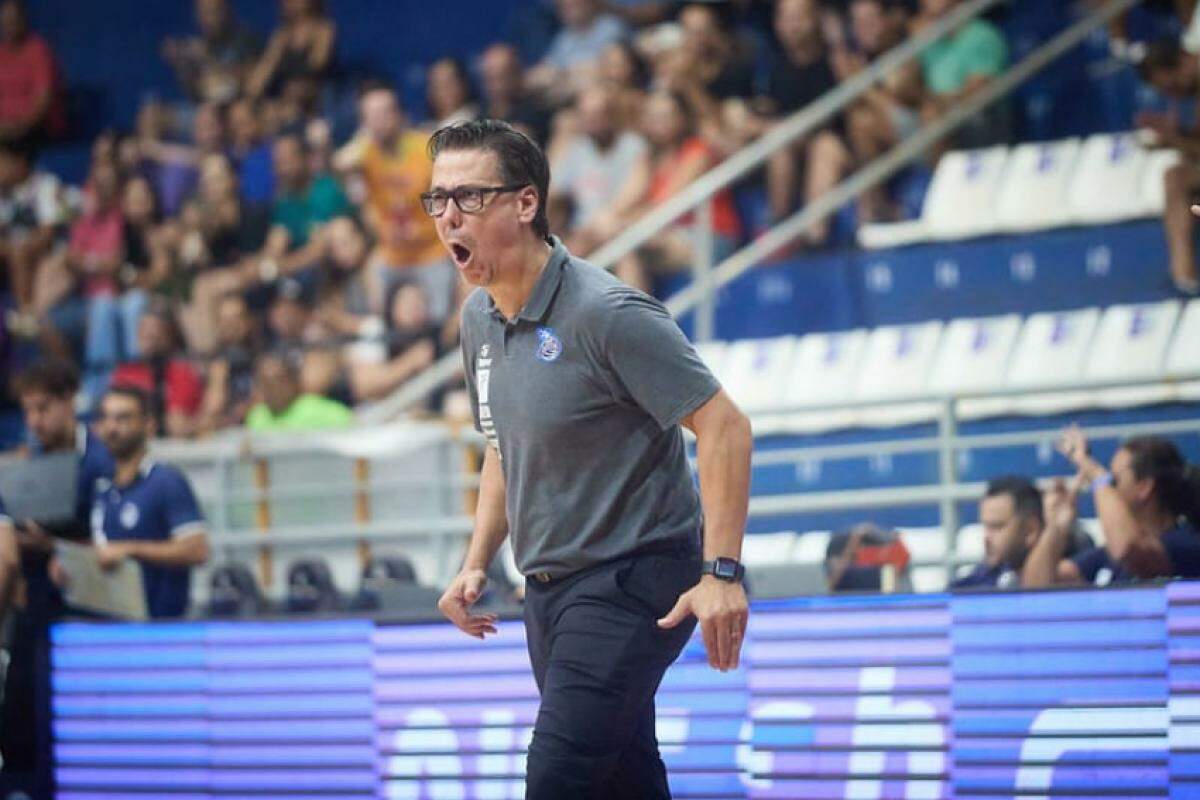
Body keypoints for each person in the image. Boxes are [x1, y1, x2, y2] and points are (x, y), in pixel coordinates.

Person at [428, 119, 752, 798]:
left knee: (559, 779)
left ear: (525, 203)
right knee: (623, 779)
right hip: (548, 591)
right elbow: (503, 443)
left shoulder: (607, 312)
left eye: (468, 198)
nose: (447, 216)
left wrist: (721, 572)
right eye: (437, 200)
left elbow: (724, 426)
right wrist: (477, 560)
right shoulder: (478, 319)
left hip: (634, 578)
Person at [333, 83, 457, 321]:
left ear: (399, 115)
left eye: (384, 113)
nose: (378, 121)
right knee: (378, 317)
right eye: (370, 116)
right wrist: (357, 146)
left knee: (439, 317)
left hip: (432, 250)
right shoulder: (364, 154)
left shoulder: (426, 148)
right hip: (391, 253)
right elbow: (337, 169)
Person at [87, 386, 210, 619]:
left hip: (159, 630)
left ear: (149, 425)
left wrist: (130, 549)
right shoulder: (100, 485)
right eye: (106, 418)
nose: (112, 427)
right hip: (109, 628)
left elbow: (197, 549)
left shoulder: (166, 481)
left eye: (123, 418)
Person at [1023, 428, 1200, 588]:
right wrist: (1056, 527)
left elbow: (1129, 548)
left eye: (1113, 480)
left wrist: (1095, 474)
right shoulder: (1105, 555)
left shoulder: (1185, 543)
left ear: (1144, 488)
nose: (1107, 491)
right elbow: (1036, 585)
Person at [549, 86, 649, 255]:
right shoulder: (577, 148)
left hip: (616, 223)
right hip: (581, 231)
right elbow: (553, 191)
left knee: (610, 233)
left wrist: (601, 220)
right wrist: (561, 138)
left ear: (611, 115)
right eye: (586, 115)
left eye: (597, 114)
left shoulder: (633, 145)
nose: (591, 121)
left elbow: (635, 192)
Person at [110, 304, 205, 439]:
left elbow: (177, 424)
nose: (149, 335)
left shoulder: (182, 372)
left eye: (155, 329)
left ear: (169, 335)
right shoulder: (124, 373)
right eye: (144, 328)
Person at [161, 0, 262, 105]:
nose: (207, 19)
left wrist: (209, 59)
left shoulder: (246, 40)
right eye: (203, 13)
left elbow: (253, 82)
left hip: (237, 107)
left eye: (213, 12)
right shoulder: (204, 44)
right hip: (208, 108)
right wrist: (181, 66)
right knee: (152, 115)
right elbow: (196, 96)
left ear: (227, 11)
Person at [953, 475, 1043, 589]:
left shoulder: (1062, 574)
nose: (986, 537)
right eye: (985, 526)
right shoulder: (982, 576)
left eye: (996, 527)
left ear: (1031, 530)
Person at [0, 0, 65, 147]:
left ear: (23, 21)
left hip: (35, 126)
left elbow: (43, 101)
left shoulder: (38, 51)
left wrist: (19, 127)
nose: (9, 25)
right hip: (4, 128)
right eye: (5, 20)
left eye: (13, 20)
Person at [244, 351, 354, 431]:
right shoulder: (256, 417)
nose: (272, 388)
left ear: (294, 381)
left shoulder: (326, 412)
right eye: (265, 382)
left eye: (278, 381)